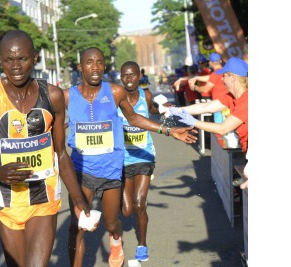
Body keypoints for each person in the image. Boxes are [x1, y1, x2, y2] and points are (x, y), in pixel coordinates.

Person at [0, 29, 92, 267]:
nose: (16, 67)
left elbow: (61, 153)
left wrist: (78, 200)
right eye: (8, 60)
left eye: (22, 59)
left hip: (43, 197)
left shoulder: (52, 95)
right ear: (0, 60)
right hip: (5, 199)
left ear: (34, 57)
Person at [63, 47, 198, 267]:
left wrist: (169, 130)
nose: (95, 67)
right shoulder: (67, 96)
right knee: (77, 227)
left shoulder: (116, 92)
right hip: (82, 170)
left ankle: (116, 240)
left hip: (111, 170)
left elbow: (134, 118)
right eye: (89, 62)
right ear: (80, 67)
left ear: (105, 66)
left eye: (99, 62)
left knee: (112, 223)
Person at [170, 57, 248, 188]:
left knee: (247, 173)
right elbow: (206, 107)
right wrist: (177, 110)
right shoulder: (232, 97)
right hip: (248, 151)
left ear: (232, 78)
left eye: (224, 76)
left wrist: (193, 122)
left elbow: (223, 128)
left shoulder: (246, 100)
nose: (222, 79)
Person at [118, 61, 161, 262]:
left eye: (132, 75)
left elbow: (153, 110)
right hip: (122, 157)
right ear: (121, 77)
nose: (129, 79)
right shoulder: (116, 98)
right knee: (126, 211)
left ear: (139, 76)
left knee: (138, 202)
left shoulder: (146, 96)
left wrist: (165, 109)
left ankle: (142, 244)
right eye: (125, 75)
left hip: (144, 155)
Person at [188, 52, 228, 123]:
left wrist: (194, 87)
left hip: (219, 105)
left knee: (220, 127)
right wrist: (197, 77)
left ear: (210, 62)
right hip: (227, 103)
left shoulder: (215, 73)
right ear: (220, 61)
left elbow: (205, 89)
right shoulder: (225, 71)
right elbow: (211, 78)